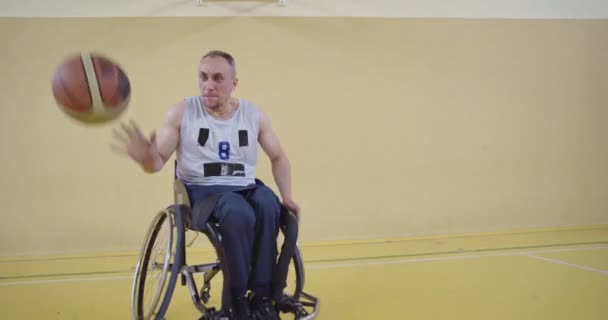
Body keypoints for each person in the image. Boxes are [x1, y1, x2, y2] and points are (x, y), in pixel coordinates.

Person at [112, 50, 300, 320]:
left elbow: (279, 157)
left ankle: (263, 298)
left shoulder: (253, 115)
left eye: (217, 78)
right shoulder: (182, 112)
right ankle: (235, 303)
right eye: (203, 77)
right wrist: (144, 156)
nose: (208, 84)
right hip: (201, 194)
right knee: (238, 211)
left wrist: (288, 195)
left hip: (244, 187)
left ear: (234, 83)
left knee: (269, 204)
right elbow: (157, 161)